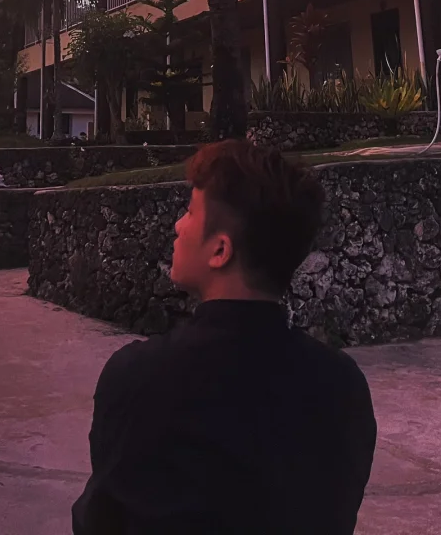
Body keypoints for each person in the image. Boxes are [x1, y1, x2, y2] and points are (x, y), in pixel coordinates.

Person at [72, 140, 376, 534]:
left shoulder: (139, 378)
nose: (178, 225)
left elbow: (100, 521)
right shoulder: (343, 386)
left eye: (190, 211)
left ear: (220, 250)